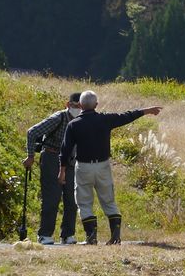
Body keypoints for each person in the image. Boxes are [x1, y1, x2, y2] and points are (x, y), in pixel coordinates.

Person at [58, 90, 161, 245]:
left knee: (84, 202)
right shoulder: (105, 119)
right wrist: (146, 111)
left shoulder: (73, 125)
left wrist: (62, 172)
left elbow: (65, 150)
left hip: (84, 167)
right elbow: (127, 116)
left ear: (80, 105)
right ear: (96, 105)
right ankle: (115, 236)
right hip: (103, 166)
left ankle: (91, 237)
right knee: (109, 201)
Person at [23, 92, 83, 244]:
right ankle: (44, 234)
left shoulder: (82, 120)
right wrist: (31, 156)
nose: (78, 109)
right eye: (75, 106)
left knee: (71, 199)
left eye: (80, 106)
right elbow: (32, 132)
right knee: (52, 198)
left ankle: (68, 234)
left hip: (70, 161)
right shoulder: (59, 118)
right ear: (68, 105)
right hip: (51, 157)